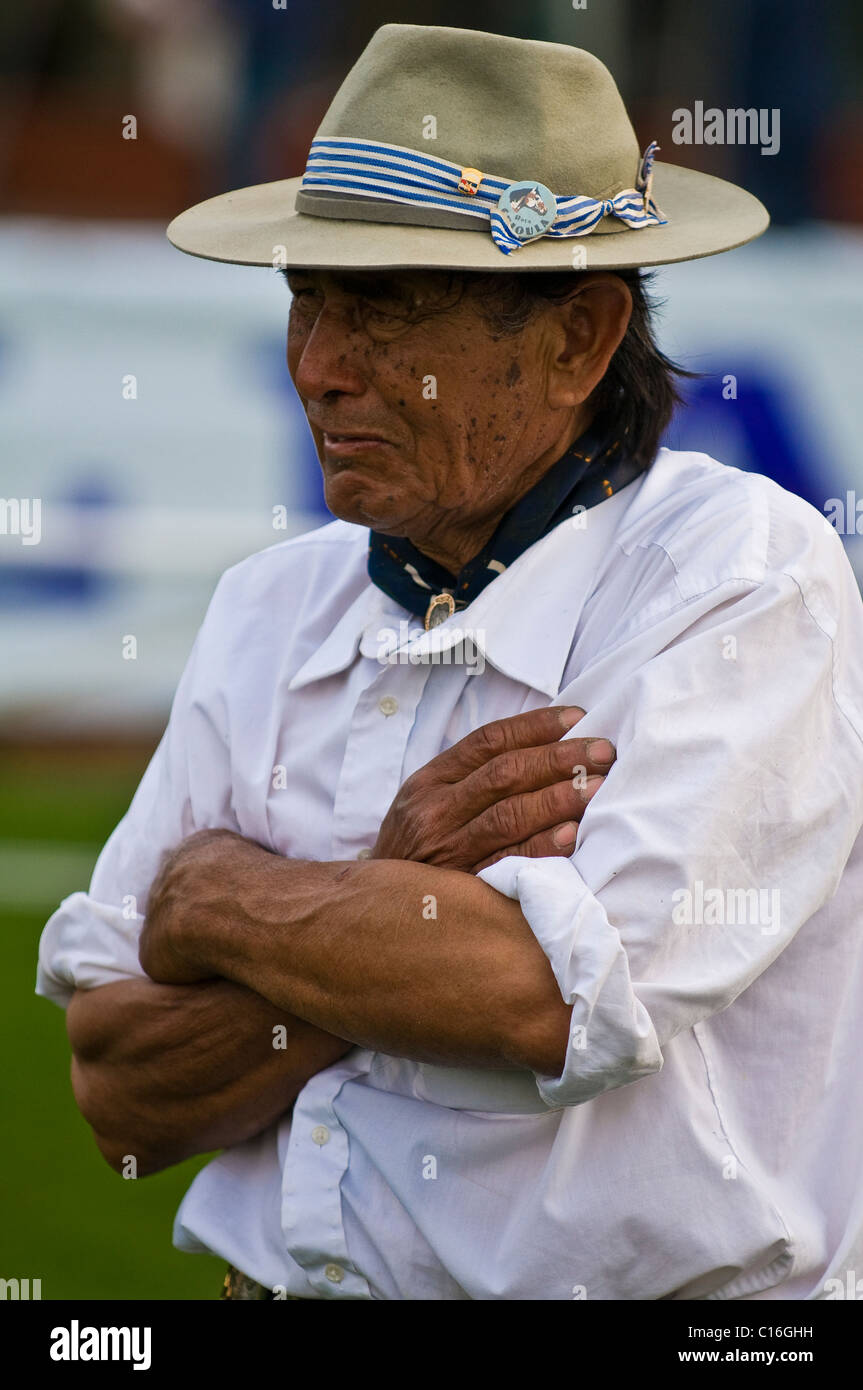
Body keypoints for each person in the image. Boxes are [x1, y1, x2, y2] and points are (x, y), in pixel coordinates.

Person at [37, 23, 863, 1301]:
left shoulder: (743, 571)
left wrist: (218, 904)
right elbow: (122, 1097)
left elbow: (549, 1001)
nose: (314, 368)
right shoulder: (271, 602)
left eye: (382, 311)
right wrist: (395, 890)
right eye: (305, 298)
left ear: (578, 339)